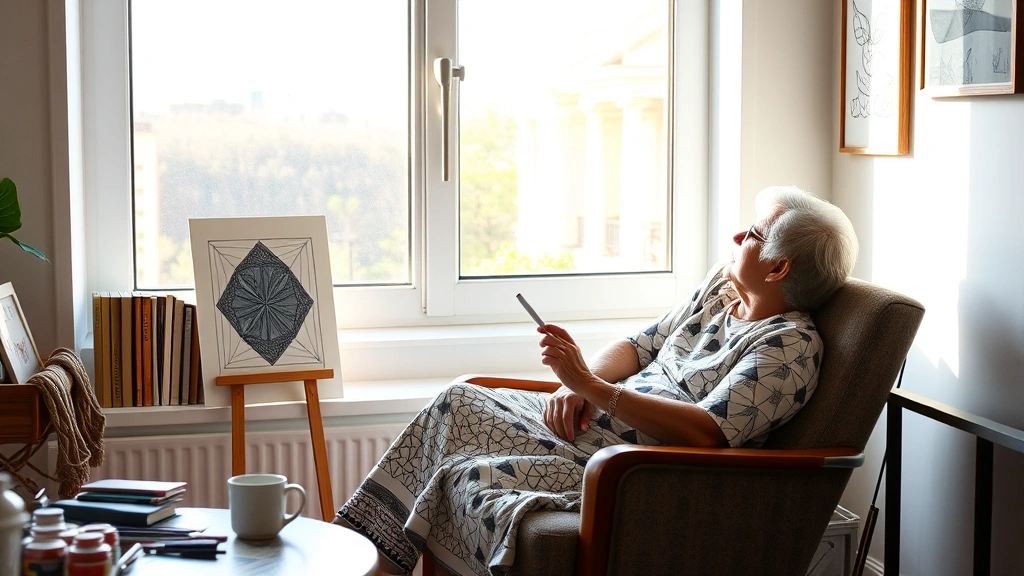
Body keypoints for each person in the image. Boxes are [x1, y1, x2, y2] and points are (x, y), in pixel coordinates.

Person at [335, 185, 858, 576]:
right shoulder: (722, 291)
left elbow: (706, 433)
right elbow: (639, 346)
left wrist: (590, 386)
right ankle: (367, 559)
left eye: (754, 234)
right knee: (459, 400)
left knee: (460, 431)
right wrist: (572, 387)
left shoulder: (788, 349)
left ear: (778, 269)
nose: (738, 236)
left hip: (635, 470)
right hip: (593, 429)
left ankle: (369, 565)